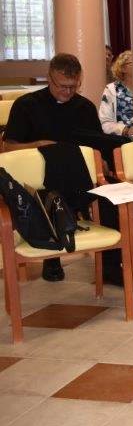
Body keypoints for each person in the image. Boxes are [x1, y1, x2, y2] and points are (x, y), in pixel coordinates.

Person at [4, 53, 124, 283]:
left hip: (80, 176)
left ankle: (110, 267)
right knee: (51, 196)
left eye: (73, 86)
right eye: (62, 86)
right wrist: (40, 144)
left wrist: (102, 161)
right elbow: (8, 148)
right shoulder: (26, 105)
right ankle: (52, 256)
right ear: (49, 78)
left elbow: (95, 144)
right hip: (41, 181)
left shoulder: (84, 107)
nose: (68, 92)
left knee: (111, 196)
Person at [99, 49, 133, 138]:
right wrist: (126, 130)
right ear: (123, 68)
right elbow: (105, 122)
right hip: (123, 140)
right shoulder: (111, 89)